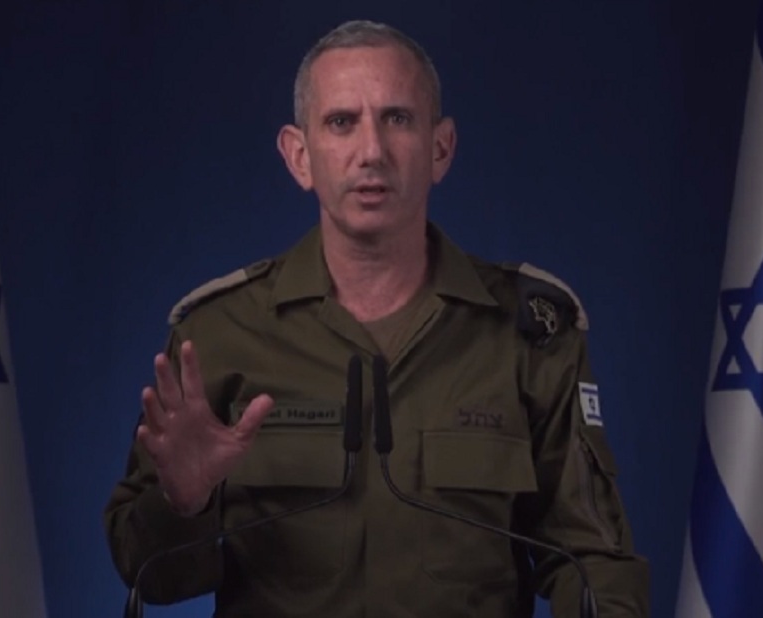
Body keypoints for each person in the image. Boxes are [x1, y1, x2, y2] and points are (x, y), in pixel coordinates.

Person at [104, 19, 650, 617]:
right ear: (299, 156)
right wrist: (183, 503)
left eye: (398, 119)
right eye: (342, 122)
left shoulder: (529, 332)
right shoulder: (218, 334)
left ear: (440, 148)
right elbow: (151, 576)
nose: (372, 152)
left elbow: (594, 561)